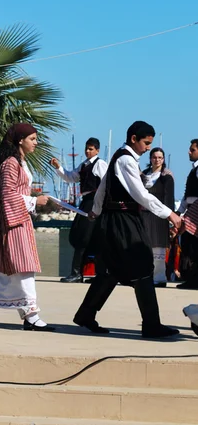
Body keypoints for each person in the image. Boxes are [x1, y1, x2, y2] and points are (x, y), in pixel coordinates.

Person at [73, 121, 182, 338]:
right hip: (123, 221)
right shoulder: (126, 160)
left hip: (117, 219)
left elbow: (104, 185)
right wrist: (169, 213)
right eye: (146, 143)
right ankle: (151, 325)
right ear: (134, 139)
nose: (148, 148)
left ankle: (85, 315)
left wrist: (95, 209)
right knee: (142, 266)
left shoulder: (119, 157)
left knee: (112, 270)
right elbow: (140, 194)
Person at [0, 123, 54, 332]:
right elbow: (6, 194)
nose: (36, 142)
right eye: (32, 139)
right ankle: (31, 315)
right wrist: (34, 201)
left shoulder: (20, 162)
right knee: (22, 266)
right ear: (20, 141)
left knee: (5, 268)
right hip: (11, 221)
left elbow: (1, 191)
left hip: (19, 220)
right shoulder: (10, 164)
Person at [51, 138, 108, 282]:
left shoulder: (100, 164)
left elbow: (106, 184)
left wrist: (100, 207)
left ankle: (81, 273)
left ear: (97, 150)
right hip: (86, 202)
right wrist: (58, 167)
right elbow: (71, 177)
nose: (88, 151)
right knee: (82, 236)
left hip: (95, 202)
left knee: (88, 237)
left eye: (91, 149)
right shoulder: (84, 165)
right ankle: (84, 273)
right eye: (87, 149)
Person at [141, 147, 175, 287]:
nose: (157, 160)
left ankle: (160, 278)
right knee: (145, 247)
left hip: (159, 216)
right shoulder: (144, 175)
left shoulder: (166, 176)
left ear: (163, 159)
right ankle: (145, 276)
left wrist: (169, 216)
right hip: (144, 215)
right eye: (154, 157)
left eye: (160, 157)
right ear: (150, 159)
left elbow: (169, 198)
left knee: (158, 248)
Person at [176, 139, 198, 290]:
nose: (189, 152)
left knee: (194, 246)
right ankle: (191, 279)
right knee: (189, 245)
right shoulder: (193, 170)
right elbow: (186, 195)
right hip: (191, 209)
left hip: (196, 211)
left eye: (192, 150)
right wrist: (178, 211)